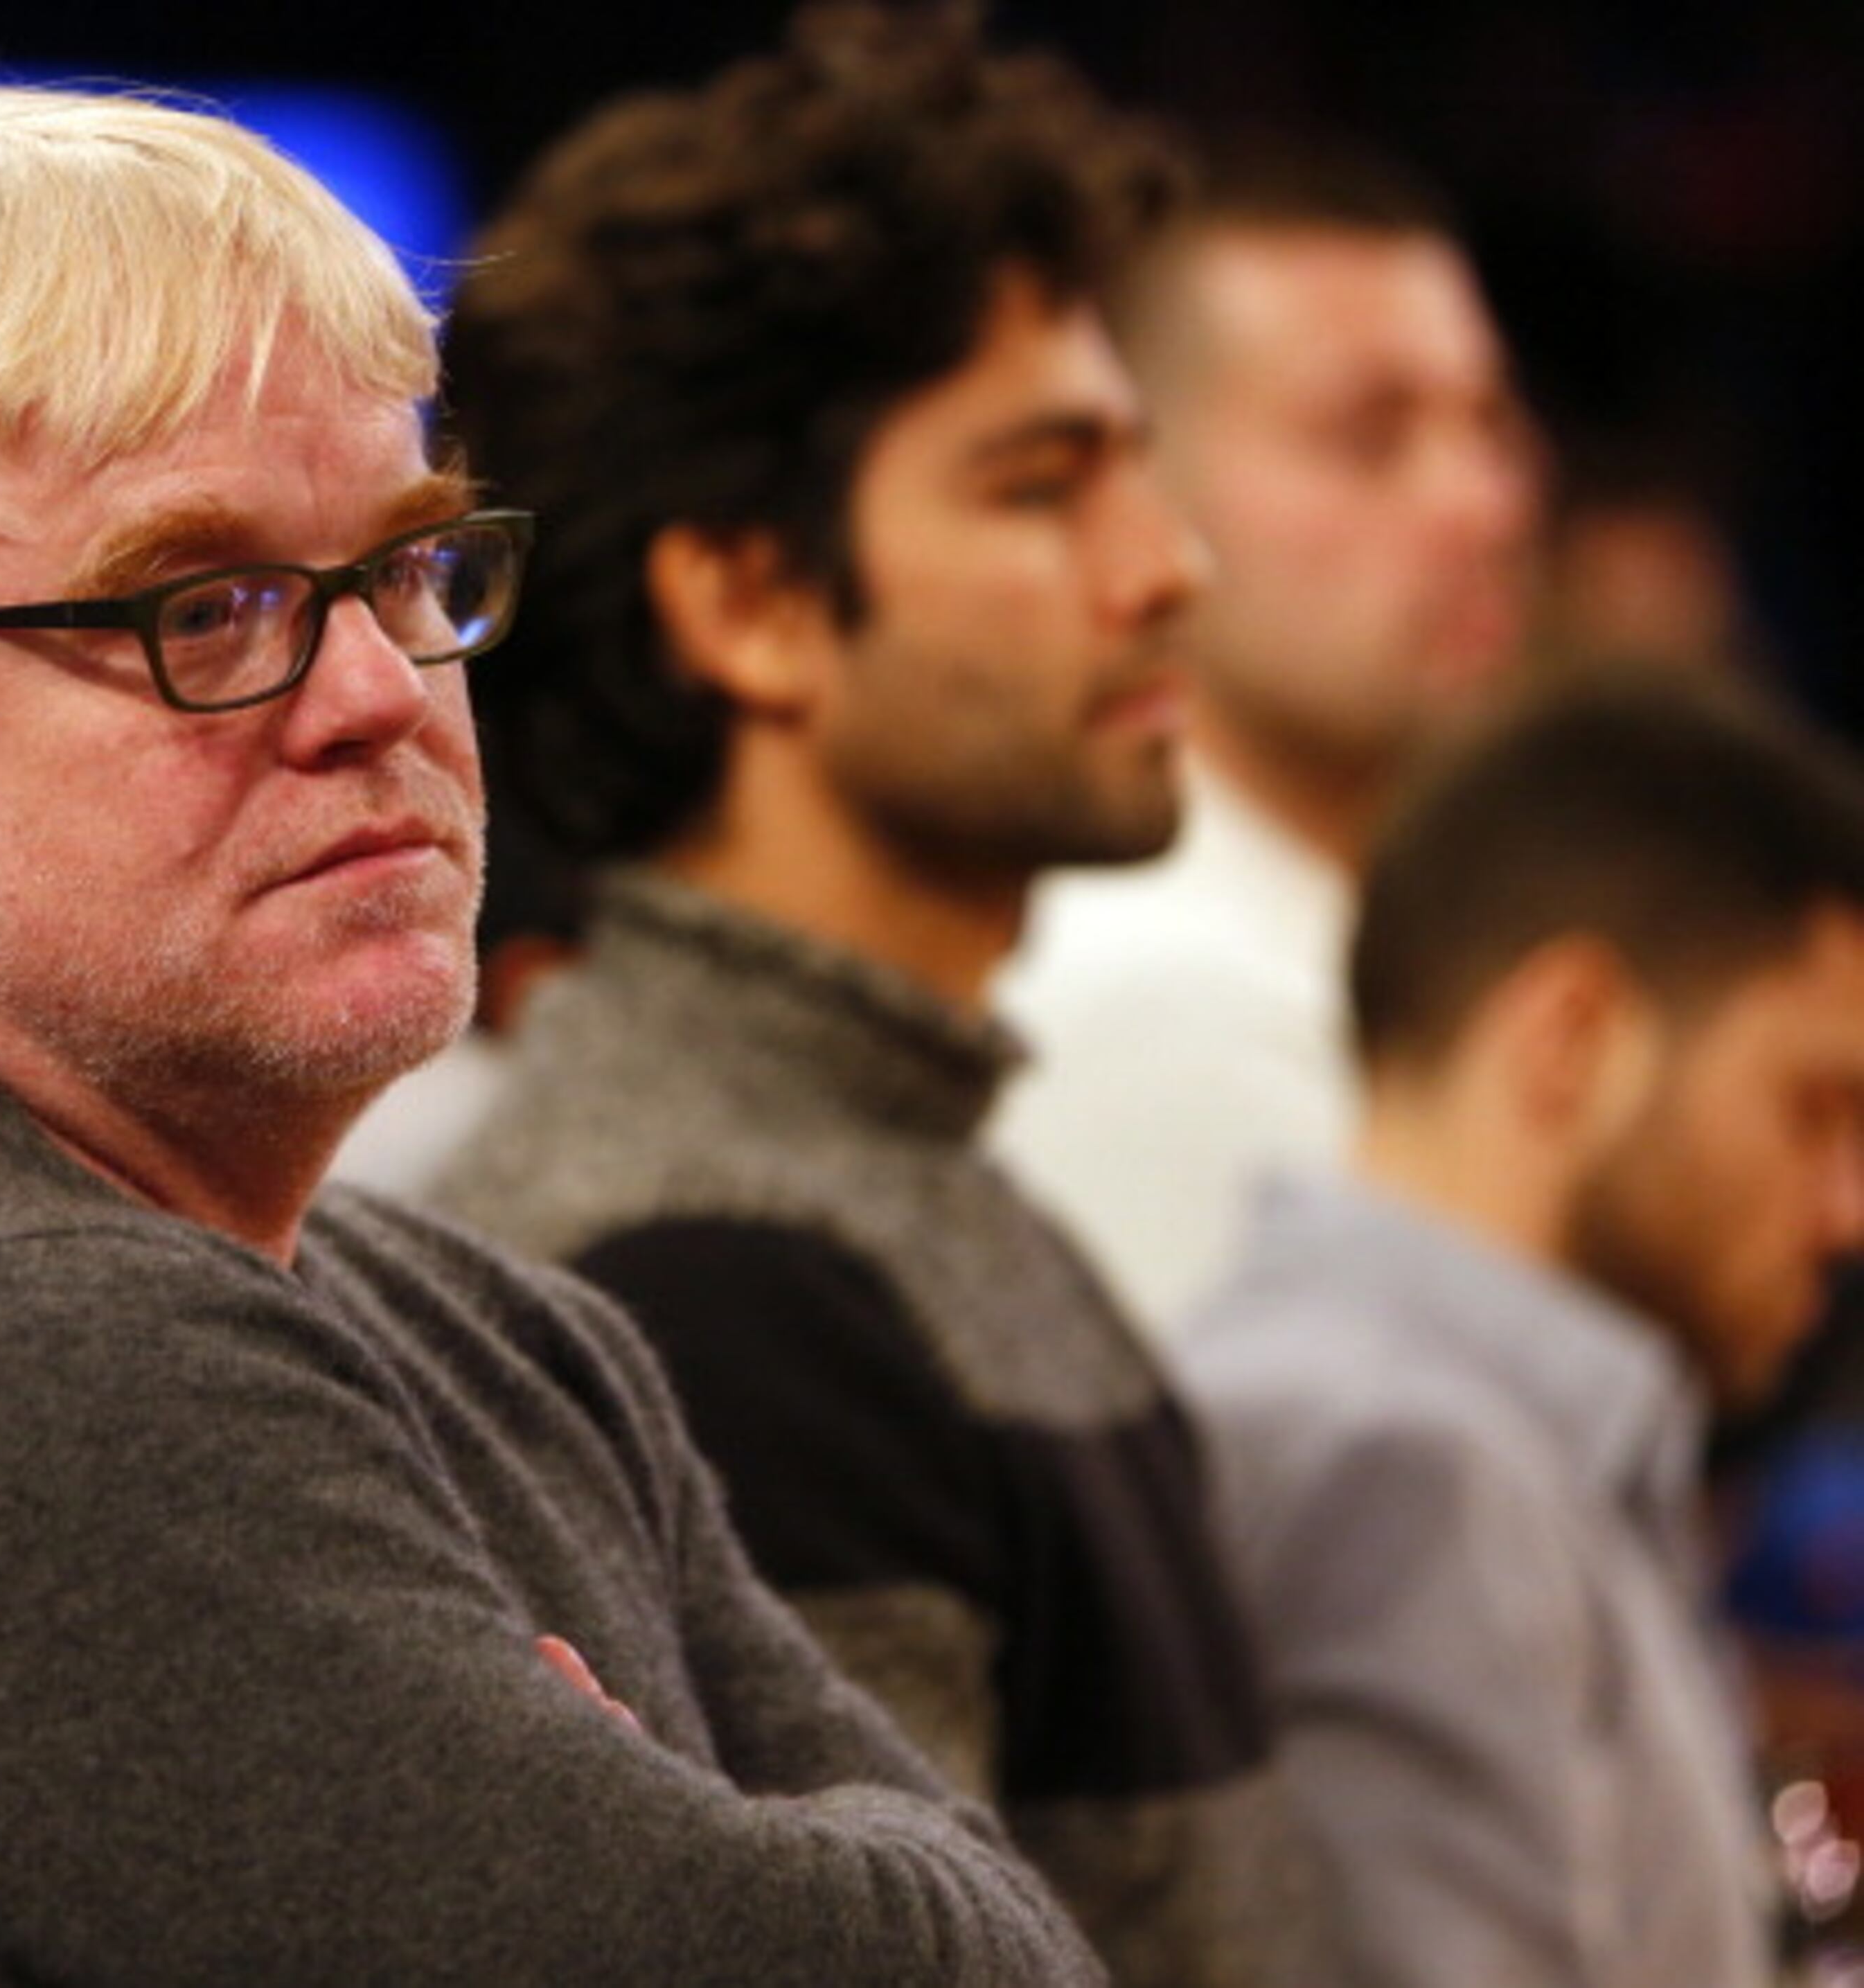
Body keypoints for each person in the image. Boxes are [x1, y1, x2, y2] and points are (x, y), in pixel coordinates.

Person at [0, 83, 1106, 1985]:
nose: (377, 693)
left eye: (408, 568)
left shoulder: (503, 1335)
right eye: (206, 604)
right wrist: (768, 1853)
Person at [422, 10, 1311, 1983]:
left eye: (1141, 470)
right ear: (748, 603)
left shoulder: (890, 1194)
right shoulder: (710, 1280)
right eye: (1042, 486)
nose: (1167, 566)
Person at [1178, 673, 1864, 1986]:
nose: (1847, 1210)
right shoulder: (1399, 1461)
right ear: (1572, 1040)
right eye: (1813, 1108)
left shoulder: (1506, 1451)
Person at [993, 135, 1547, 1329]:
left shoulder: (1342, 944)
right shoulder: (1154, 996)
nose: (1483, 505)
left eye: (1494, 425)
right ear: (1137, 480)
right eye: (1369, 435)